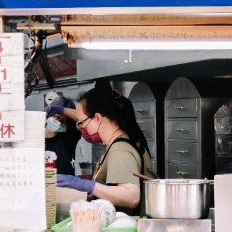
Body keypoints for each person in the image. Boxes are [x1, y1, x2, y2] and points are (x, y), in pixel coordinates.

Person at [50, 85, 153, 214]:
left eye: (81, 123)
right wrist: (61, 110)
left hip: (124, 229)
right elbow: (83, 115)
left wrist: (87, 186)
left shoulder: (120, 150)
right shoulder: (128, 138)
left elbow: (132, 197)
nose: (79, 128)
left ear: (98, 118)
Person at [44, 95, 80, 175]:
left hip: (65, 184)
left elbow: (81, 118)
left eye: (65, 120)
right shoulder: (36, 134)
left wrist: (61, 110)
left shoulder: (70, 135)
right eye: (57, 117)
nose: (60, 122)